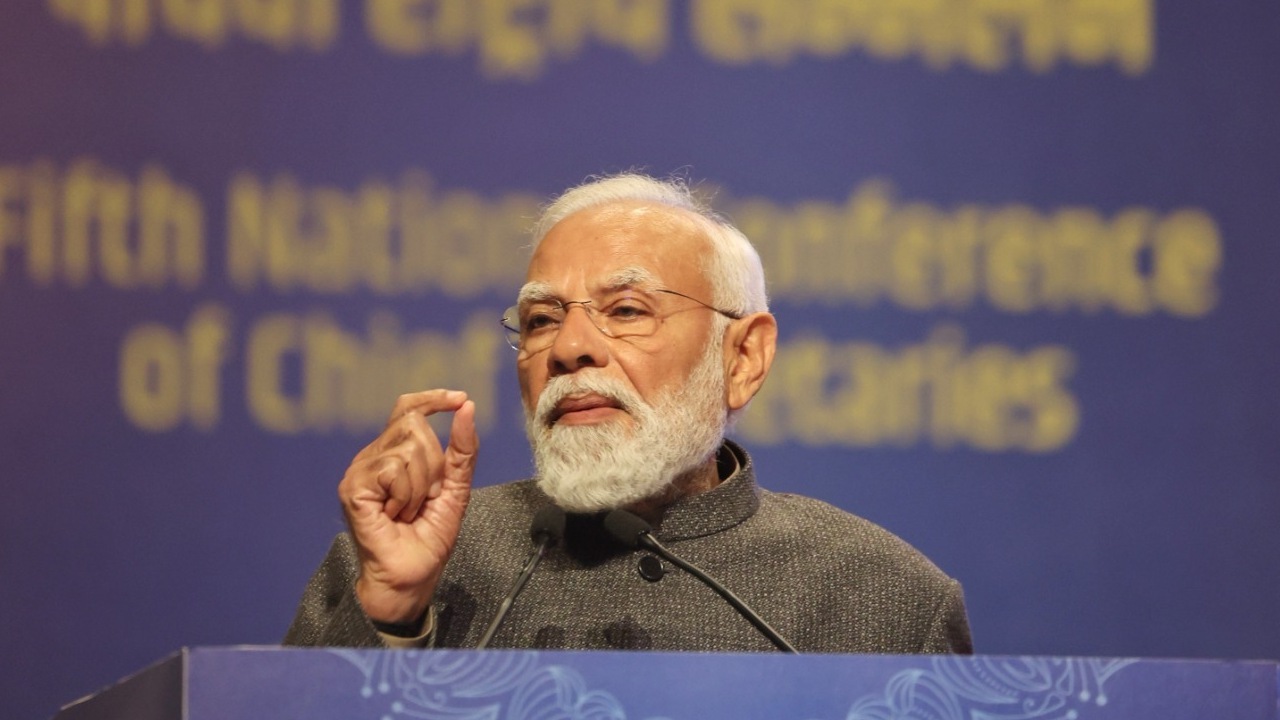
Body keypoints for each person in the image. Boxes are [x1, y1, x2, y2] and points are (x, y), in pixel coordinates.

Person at [284, 173, 973, 653]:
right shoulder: (411, 563)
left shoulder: (884, 599)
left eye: (626, 310)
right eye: (541, 319)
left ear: (742, 358)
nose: (568, 348)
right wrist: (391, 613)